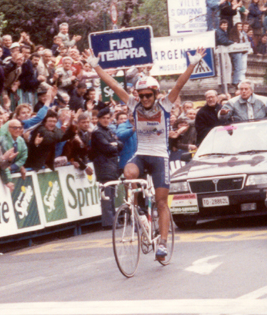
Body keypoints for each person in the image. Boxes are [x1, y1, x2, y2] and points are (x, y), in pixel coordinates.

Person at [84, 46, 205, 261]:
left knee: (161, 202)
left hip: (159, 156)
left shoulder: (164, 105)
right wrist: (96, 66)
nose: (145, 99)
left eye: (149, 95)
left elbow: (179, 83)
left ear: (156, 94)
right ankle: (137, 210)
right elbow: (113, 84)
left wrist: (193, 63)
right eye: (142, 95)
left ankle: (163, 243)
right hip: (141, 154)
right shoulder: (134, 105)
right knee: (129, 173)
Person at [91, 108, 122, 229]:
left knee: (112, 195)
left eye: (107, 118)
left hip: (112, 165)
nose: (105, 120)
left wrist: (114, 145)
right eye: (103, 118)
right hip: (103, 166)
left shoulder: (108, 130)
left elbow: (120, 145)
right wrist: (114, 145)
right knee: (107, 196)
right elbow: (107, 148)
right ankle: (109, 222)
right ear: (99, 119)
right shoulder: (97, 132)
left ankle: (113, 221)